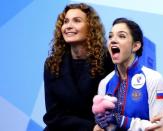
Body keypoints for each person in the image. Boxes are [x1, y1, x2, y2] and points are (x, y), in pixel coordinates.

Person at [43, 3, 114, 131]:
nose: (69, 26)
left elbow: (113, 106)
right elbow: (52, 115)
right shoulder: (52, 64)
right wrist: (90, 127)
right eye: (66, 21)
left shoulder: (108, 60)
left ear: (90, 27)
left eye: (77, 21)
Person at [94, 18, 163, 131]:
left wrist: (123, 121)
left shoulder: (154, 79)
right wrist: (102, 124)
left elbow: (160, 127)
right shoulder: (104, 83)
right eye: (110, 36)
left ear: (135, 46)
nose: (113, 40)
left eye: (121, 36)